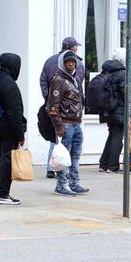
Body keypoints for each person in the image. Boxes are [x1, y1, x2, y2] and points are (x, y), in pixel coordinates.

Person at [40, 36, 84, 178]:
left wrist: (49, 98)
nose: (71, 64)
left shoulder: (50, 61)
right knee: (65, 146)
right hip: (66, 114)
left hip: (67, 113)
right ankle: (62, 179)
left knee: (59, 143)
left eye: (73, 62)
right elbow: (78, 87)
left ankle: (55, 170)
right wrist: (55, 100)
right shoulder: (73, 65)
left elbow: (43, 81)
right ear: (73, 48)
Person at [47, 49, 88, 197]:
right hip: (65, 123)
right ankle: (61, 184)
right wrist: (58, 126)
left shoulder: (75, 79)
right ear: (63, 64)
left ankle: (74, 182)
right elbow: (53, 106)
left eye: (72, 62)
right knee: (64, 156)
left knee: (75, 154)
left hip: (76, 122)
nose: (70, 64)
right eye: (68, 62)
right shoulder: (58, 80)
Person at [0, 53, 26, 206]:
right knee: (7, 161)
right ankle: (3, 193)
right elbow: (14, 112)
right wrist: (20, 134)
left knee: (1, 160)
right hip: (8, 128)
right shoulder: (9, 84)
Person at [96, 48, 129, 173]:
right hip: (119, 110)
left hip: (108, 109)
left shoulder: (106, 71)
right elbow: (126, 94)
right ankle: (112, 166)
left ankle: (103, 163)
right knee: (117, 137)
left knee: (112, 135)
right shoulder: (121, 73)